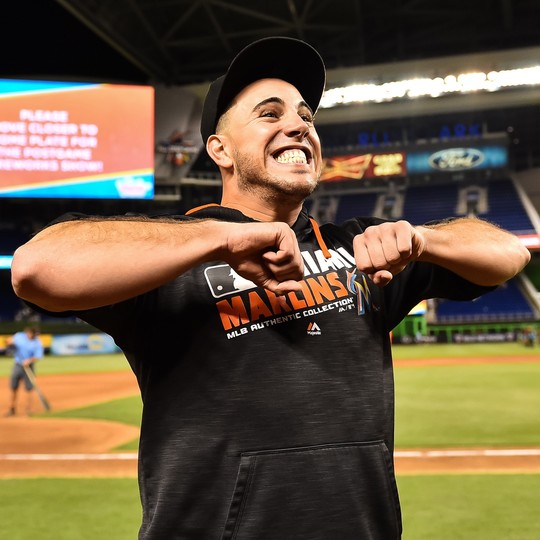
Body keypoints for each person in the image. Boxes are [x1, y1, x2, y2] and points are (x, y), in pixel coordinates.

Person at [10, 37, 530, 539]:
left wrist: (424, 239)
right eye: (270, 114)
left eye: (306, 116)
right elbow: (35, 268)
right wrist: (221, 240)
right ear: (220, 149)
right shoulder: (169, 254)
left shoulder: (364, 250)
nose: (298, 127)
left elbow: (507, 255)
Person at [4, 326, 43, 417]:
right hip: (18, 365)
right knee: (14, 387)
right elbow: (9, 341)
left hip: (29, 366)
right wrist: (9, 343)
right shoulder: (19, 336)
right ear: (28, 332)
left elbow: (38, 356)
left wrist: (29, 360)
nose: (33, 336)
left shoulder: (37, 342)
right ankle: (12, 409)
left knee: (29, 388)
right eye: (32, 334)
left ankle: (28, 409)